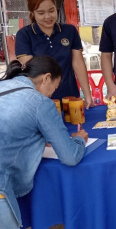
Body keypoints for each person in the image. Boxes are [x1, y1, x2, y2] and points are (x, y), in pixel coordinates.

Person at [0, 56, 88, 229]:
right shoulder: (40, 103)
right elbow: (70, 156)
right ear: (46, 77)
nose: (51, 95)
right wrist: (78, 139)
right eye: (53, 89)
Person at [15, 0, 93, 108]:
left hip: (70, 97)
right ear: (32, 13)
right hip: (41, 101)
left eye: (51, 11)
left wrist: (87, 95)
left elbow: (78, 63)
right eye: (41, 13)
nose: (48, 16)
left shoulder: (69, 31)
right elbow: (31, 72)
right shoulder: (24, 35)